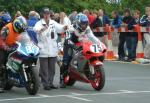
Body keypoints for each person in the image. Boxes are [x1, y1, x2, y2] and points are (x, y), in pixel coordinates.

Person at [60, 13, 101, 88]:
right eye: (82, 24)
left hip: (81, 43)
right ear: (78, 23)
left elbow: (92, 37)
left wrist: (99, 43)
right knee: (66, 61)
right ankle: (62, 79)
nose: (84, 25)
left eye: (86, 23)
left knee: (88, 54)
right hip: (70, 44)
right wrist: (74, 46)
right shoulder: (71, 28)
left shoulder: (87, 28)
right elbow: (67, 39)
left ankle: (84, 68)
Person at [33, 7, 67, 90]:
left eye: (48, 13)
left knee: (52, 68)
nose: (46, 15)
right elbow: (35, 29)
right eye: (45, 13)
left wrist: (64, 27)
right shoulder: (39, 23)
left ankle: (50, 82)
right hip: (43, 48)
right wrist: (41, 29)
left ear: (49, 14)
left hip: (53, 49)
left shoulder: (53, 22)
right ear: (42, 14)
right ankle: (45, 84)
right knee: (44, 69)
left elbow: (60, 28)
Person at [0, 16, 27, 93]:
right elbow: (1, 40)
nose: (21, 31)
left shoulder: (22, 29)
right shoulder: (6, 28)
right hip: (3, 47)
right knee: (2, 63)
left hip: (15, 46)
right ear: (16, 25)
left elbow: (26, 38)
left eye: (22, 29)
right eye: (20, 29)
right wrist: (6, 48)